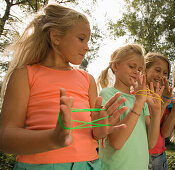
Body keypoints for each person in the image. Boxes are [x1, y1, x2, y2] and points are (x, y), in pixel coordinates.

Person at [0, 4, 127, 170]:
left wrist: (101, 128)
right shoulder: (25, 74)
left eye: (88, 40)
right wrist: (53, 138)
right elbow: (5, 139)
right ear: (56, 37)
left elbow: (95, 134)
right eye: (81, 39)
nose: (87, 46)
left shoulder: (87, 79)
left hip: (89, 165)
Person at [97, 44, 164, 170]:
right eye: (132, 66)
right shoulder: (108, 94)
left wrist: (156, 112)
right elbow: (117, 142)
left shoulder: (140, 100)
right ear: (115, 66)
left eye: (139, 69)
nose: (136, 72)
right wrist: (138, 103)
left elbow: (151, 143)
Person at [145, 52, 175, 170]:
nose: (161, 75)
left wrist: (174, 107)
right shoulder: (137, 97)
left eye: (165, 73)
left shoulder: (164, 98)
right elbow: (148, 132)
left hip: (159, 157)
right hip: (140, 155)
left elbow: (165, 133)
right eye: (157, 70)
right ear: (144, 70)